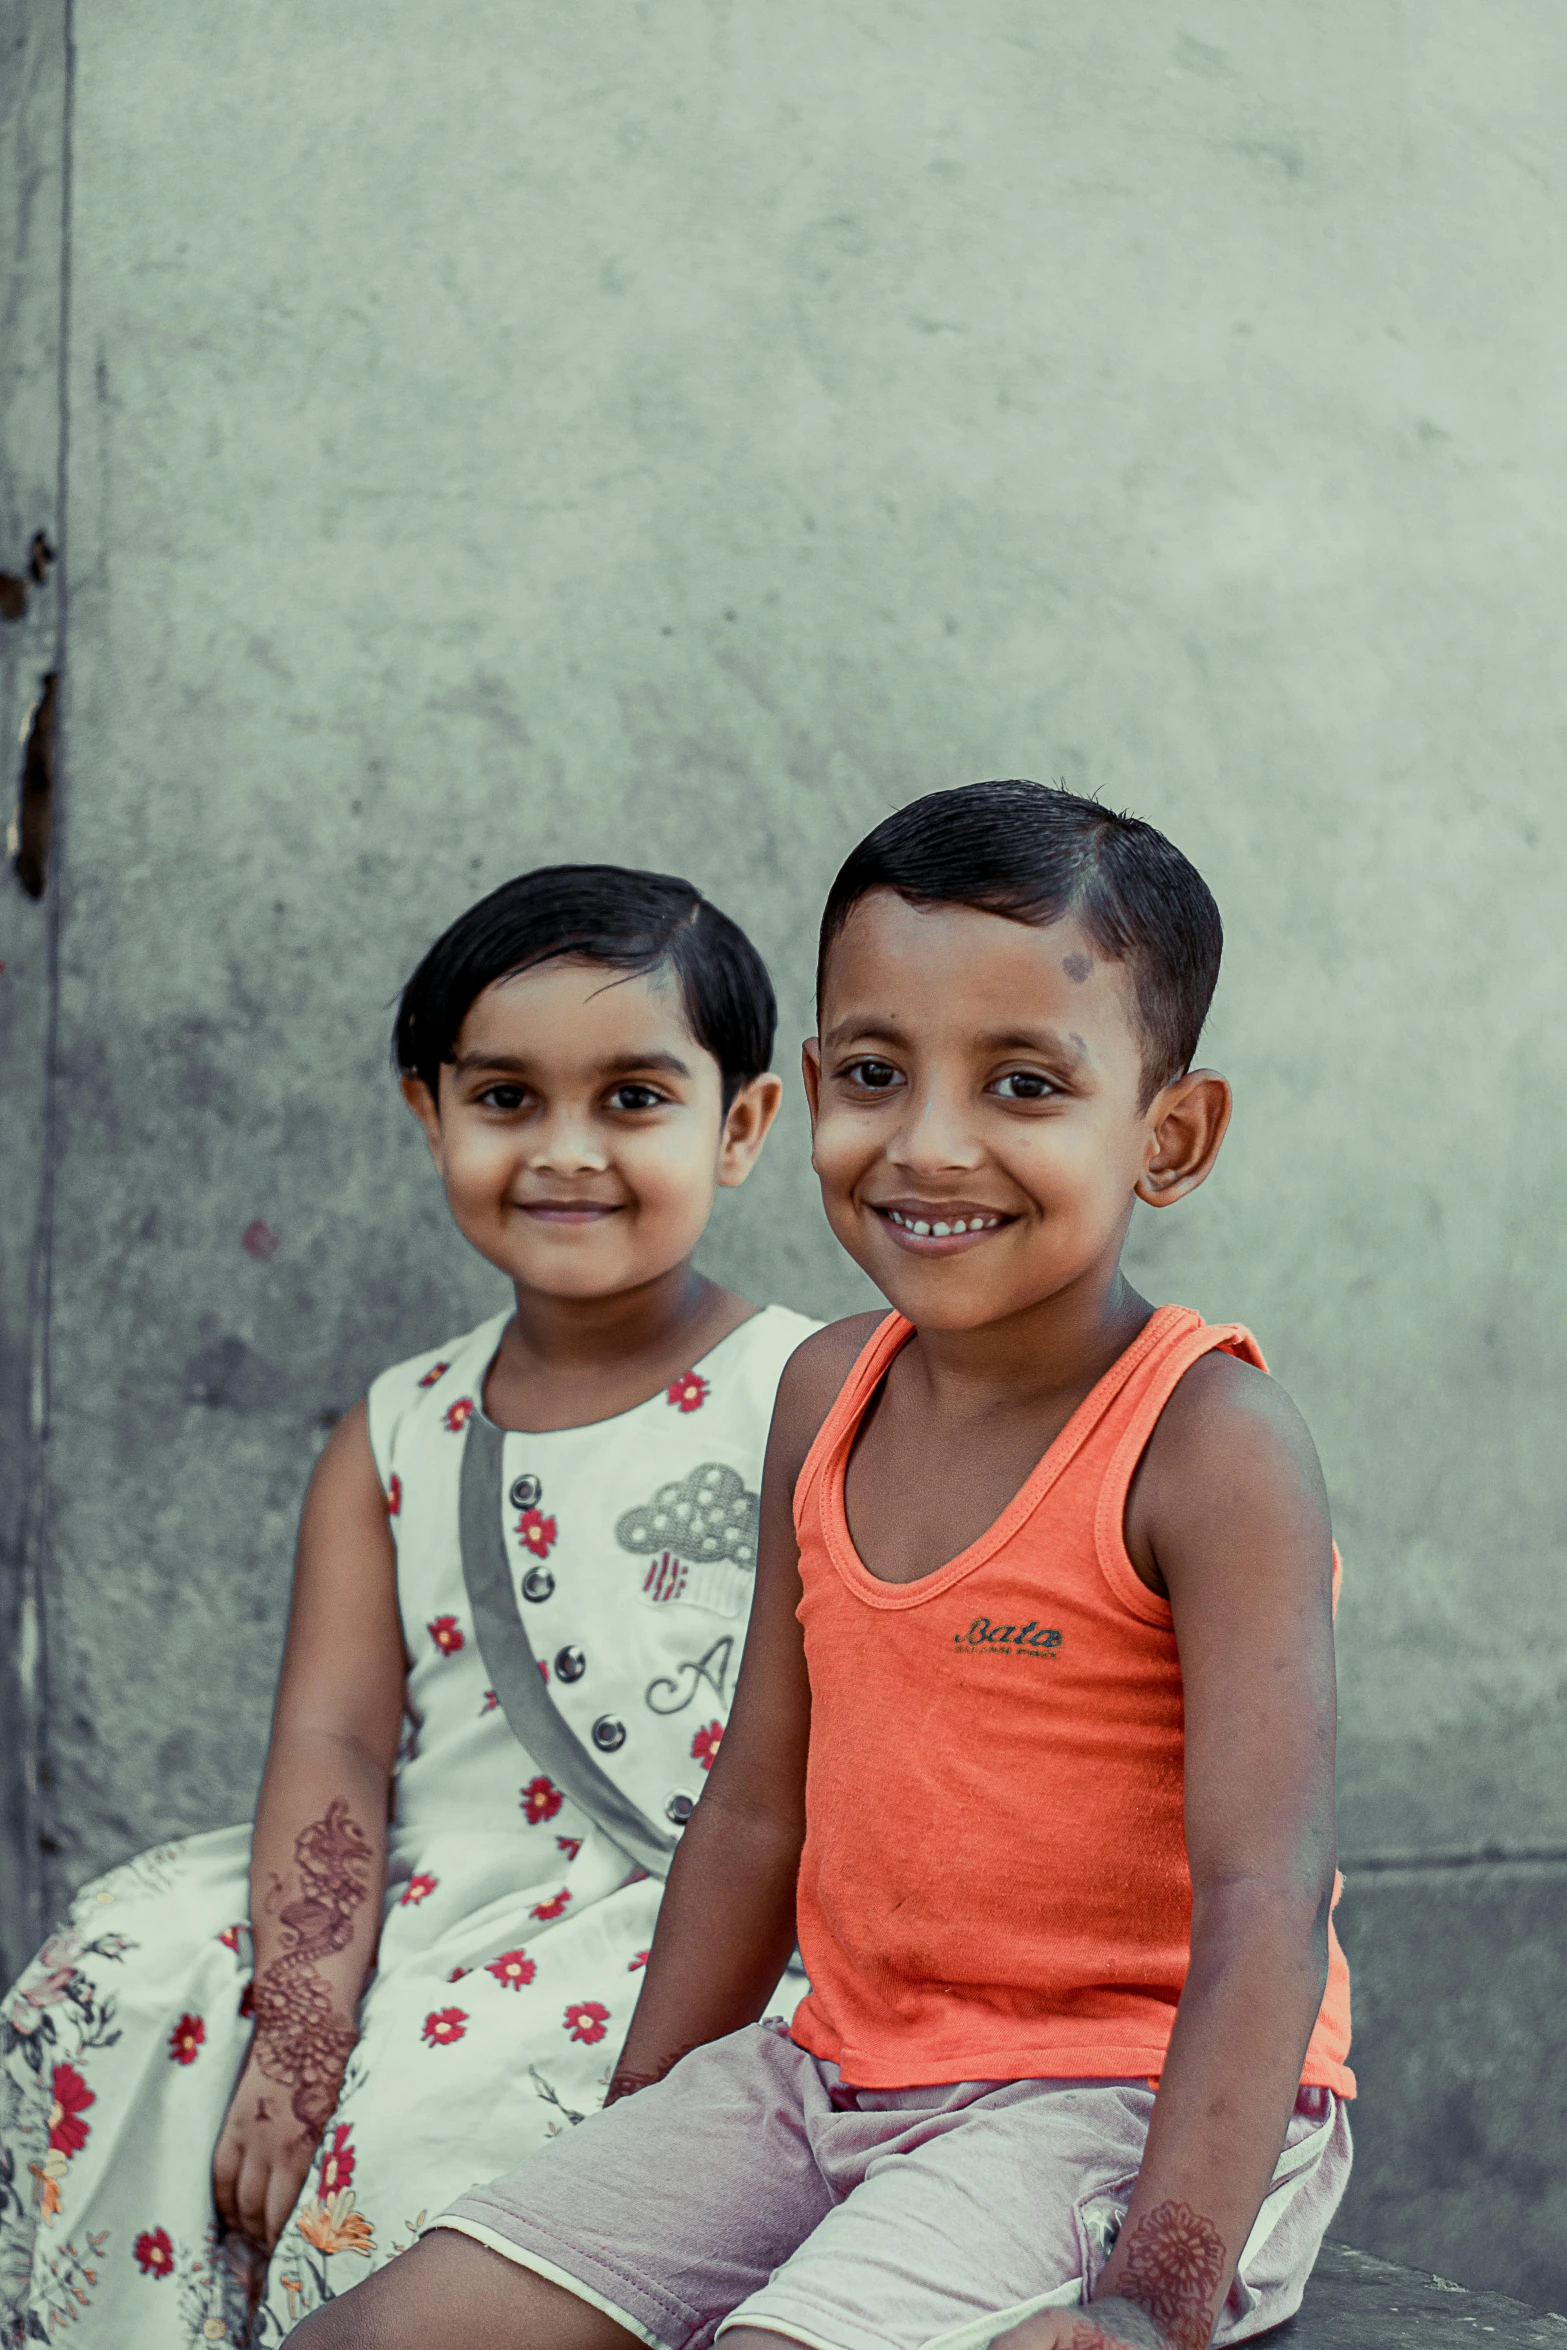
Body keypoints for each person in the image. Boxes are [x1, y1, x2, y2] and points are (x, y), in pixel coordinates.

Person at [297, 780, 1355, 2350]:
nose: (929, 1144)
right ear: (804, 1087)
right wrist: (641, 2134)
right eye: (875, 1071)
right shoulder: (827, 1390)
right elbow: (756, 1802)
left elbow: (1266, 1895)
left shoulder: (1209, 1445)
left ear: (1170, 1134)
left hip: (1114, 2105)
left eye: (1021, 1082)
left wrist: (1152, 2294)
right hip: (825, 2069)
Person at [0, 864, 818, 2348]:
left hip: (693, 1911)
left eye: (634, 1097)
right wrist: (301, 2031)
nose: (567, 1151)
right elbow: (332, 1742)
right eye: (506, 1098)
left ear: (744, 1124)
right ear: (427, 1112)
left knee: (437, 2128)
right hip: (433, 1878)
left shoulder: (817, 1393)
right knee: (119, 1977)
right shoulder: (396, 1428)